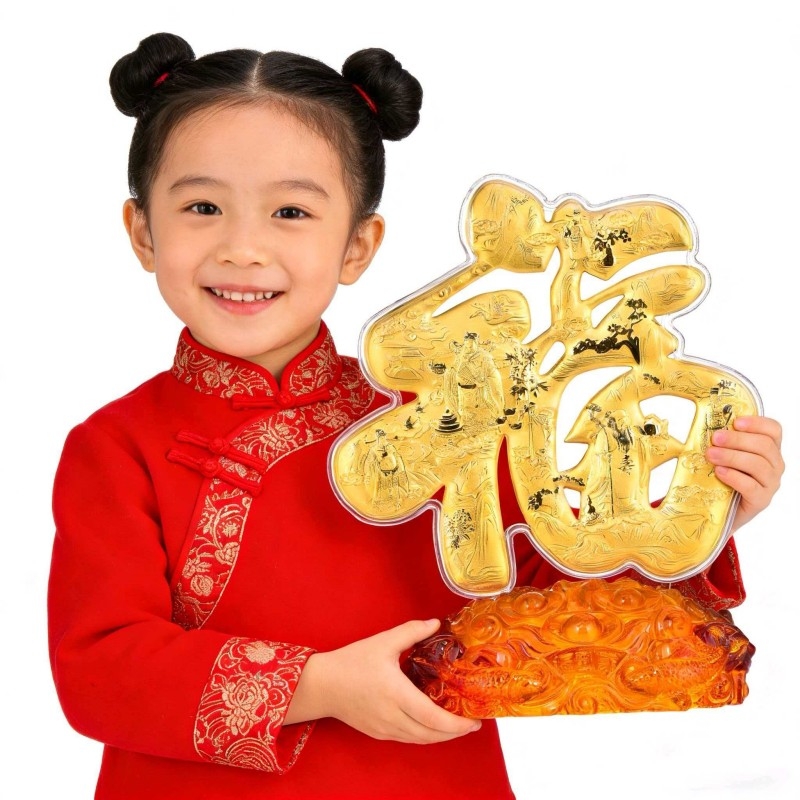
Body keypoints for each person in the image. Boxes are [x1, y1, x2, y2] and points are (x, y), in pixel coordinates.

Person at [47, 33, 784, 800]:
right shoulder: (116, 446)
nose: (243, 248)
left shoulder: (446, 411)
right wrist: (319, 685)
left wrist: (702, 511)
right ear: (142, 231)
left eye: (291, 211)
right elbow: (99, 669)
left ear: (358, 245)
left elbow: (549, 583)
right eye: (203, 207)